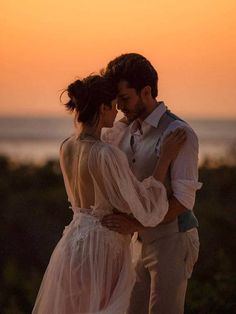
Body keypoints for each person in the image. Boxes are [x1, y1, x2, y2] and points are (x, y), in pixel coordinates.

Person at [32, 74, 186, 314]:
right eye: (114, 107)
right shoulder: (106, 154)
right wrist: (164, 158)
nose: (118, 113)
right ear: (102, 108)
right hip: (103, 247)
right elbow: (144, 204)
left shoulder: (66, 147)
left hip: (72, 244)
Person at [101, 53, 202, 314]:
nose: (120, 106)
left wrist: (134, 224)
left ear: (146, 91)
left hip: (172, 239)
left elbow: (183, 200)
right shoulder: (125, 129)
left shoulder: (178, 133)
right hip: (139, 242)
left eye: (125, 98)